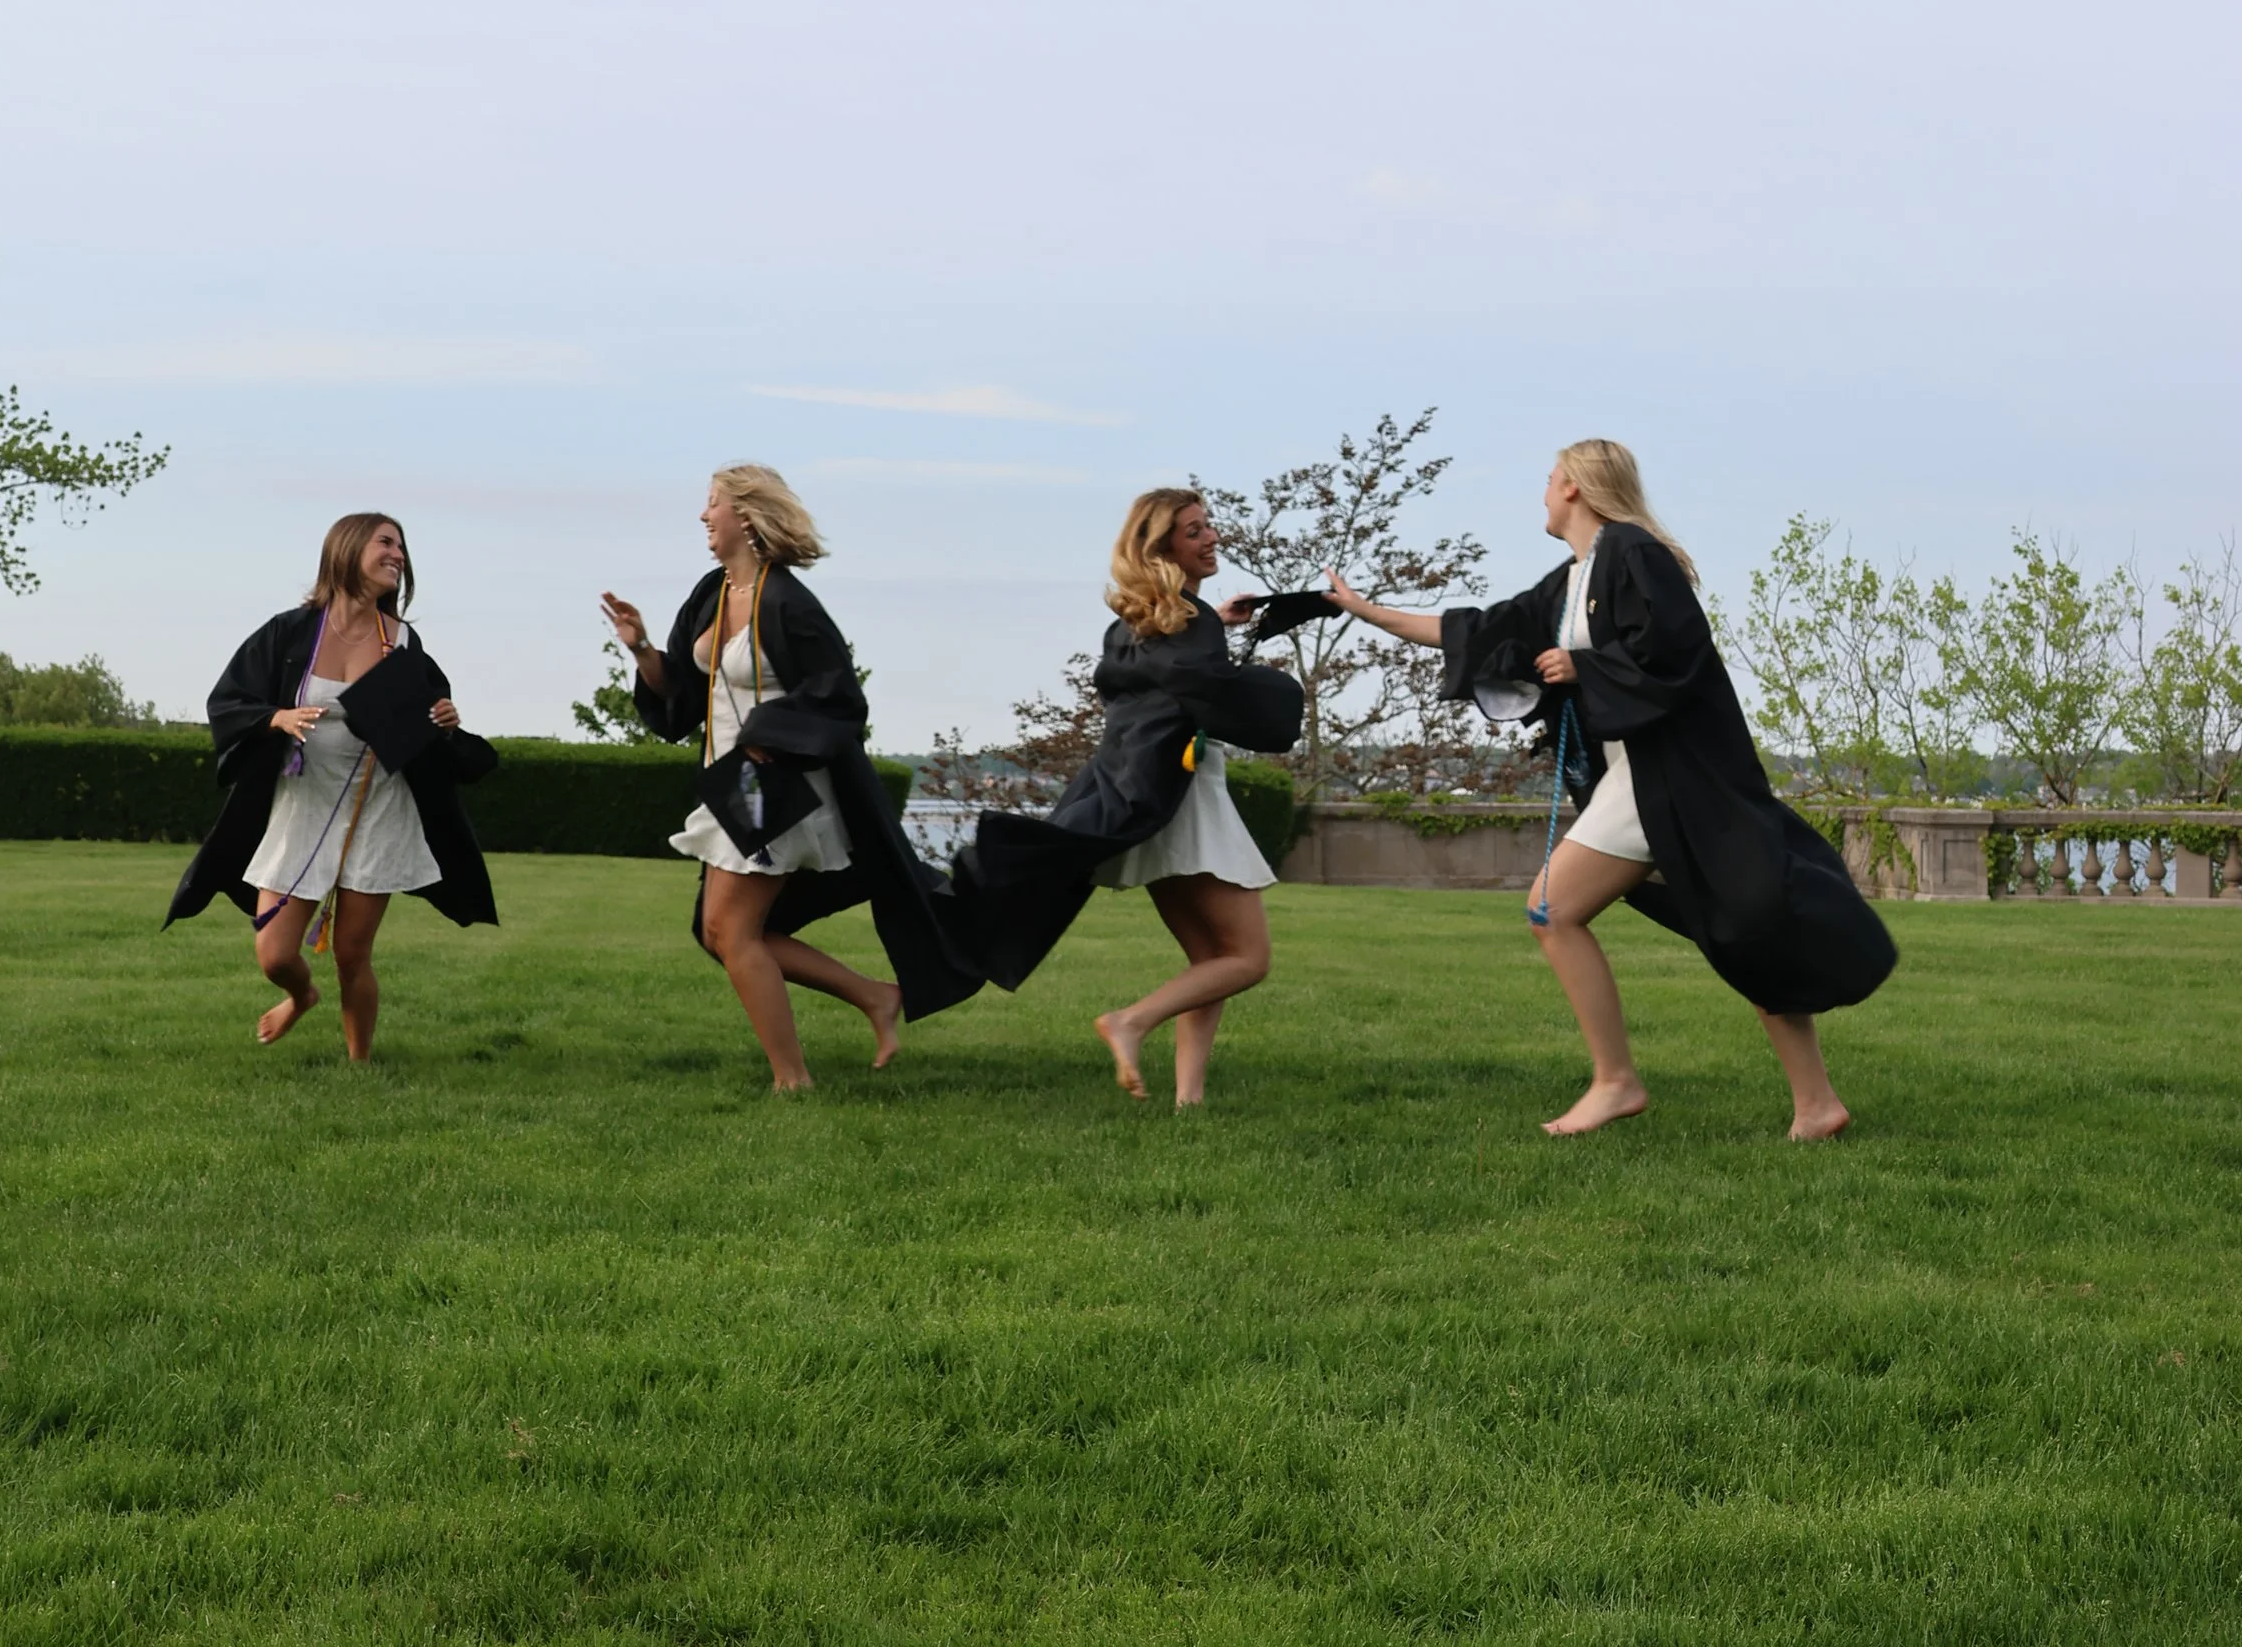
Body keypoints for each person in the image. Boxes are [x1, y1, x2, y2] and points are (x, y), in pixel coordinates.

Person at [1327, 438, 1895, 1140]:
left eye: (1547, 478)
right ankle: (1817, 1105)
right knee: (1746, 931)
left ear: (1573, 485)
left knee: (1550, 910)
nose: (1541, 491)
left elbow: (1676, 650)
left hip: (1670, 778)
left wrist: (1584, 669)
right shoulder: (1570, 583)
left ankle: (1617, 1082)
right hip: (1638, 780)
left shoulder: (1632, 551)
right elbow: (1477, 629)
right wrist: (1365, 610)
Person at [600, 465, 979, 1091]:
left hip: (781, 790)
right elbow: (681, 700)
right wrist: (641, 649)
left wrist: (772, 734)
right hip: (736, 790)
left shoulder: (788, 603)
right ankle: (875, 999)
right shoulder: (712, 593)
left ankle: (792, 1078)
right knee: (719, 930)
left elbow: (840, 703)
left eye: (713, 503)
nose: (703, 516)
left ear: (745, 516)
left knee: (729, 929)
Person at [953, 488, 1305, 1106]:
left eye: (1208, 526)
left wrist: (1216, 626)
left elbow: (1171, 670)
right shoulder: (1186, 626)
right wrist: (1255, 674)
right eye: (1194, 531)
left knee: (1209, 959)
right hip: (1188, 805)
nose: (1211, 537)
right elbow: (1202, 681)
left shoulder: (1138, 623)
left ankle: (1189, 1100)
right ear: (1162, 545)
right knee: (1248, 958)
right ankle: (1130, 1021)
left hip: (1152, 796)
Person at [165, 512, 497, 1058]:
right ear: (346, 550)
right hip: (304, 804)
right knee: (274, 954)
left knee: (351, 953)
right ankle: (300, 996)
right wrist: (277, 719)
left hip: (378, 806)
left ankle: (360, 1066)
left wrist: (445, 717)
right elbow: (228, 702)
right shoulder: (290, 633)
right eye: (385, 543)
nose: (398, 555)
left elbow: (427, 724)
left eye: (402, 547)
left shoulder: (403, 643)